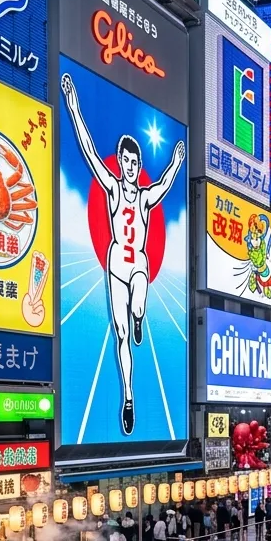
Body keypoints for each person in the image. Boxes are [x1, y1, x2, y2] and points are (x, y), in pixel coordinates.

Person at [60, 72, 186, 435]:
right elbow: (86, 149)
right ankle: (128, 396)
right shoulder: (113, 189)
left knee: (138, 304)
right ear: (121, 162)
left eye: (134, 163)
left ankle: (139, 316)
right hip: (117, 263)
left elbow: (162, 185)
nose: (130, 168)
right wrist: (73, 105)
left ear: (138, 164)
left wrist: (177, 162)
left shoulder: (145, 197)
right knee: (119, 336)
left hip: (139, 263)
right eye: (125, 162)